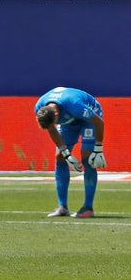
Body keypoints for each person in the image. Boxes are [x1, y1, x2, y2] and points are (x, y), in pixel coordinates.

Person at [34, 87, 106, 219]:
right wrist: (66, 153)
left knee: (87, 158)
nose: (53, 127)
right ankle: (62, 207)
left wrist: (98, 149)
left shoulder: (74, 104)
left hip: (88, 119)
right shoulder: (40, 107)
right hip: (68, 121)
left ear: (56, 115)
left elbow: (98, 122)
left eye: (54, 123)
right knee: (60, 157)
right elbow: (51, 129)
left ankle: (88, 208)